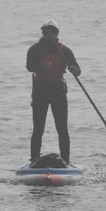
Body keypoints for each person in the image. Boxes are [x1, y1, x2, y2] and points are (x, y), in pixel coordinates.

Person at [26, 20, 81, 165]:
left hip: (58, 93)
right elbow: (29, 66)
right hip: (40, 92)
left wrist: (74, 70)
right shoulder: (35, 49)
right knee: (38, 128)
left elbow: (78, 70)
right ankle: (34, 160)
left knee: (62, 128)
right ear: (43, 34)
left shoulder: (65, 51)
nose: (48, 35)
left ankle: (66, 161)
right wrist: (40, 66)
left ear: (56, 34)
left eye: (51, 32)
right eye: (45, 32)